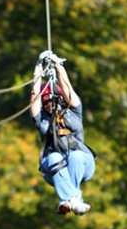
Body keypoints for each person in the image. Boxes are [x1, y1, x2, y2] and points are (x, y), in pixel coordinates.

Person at [30, 50, 96, 215]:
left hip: (82, 163)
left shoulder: (73, 110)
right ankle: (74, 201)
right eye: (46, 101)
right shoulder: (42, 120)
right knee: (53, 157)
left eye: (52, 98)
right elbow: (34, 98)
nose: (49, 103)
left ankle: (67, 200)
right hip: (55, 168)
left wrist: (58, 66)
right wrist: (38, 68)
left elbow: (67, 89)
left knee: (76, 156)